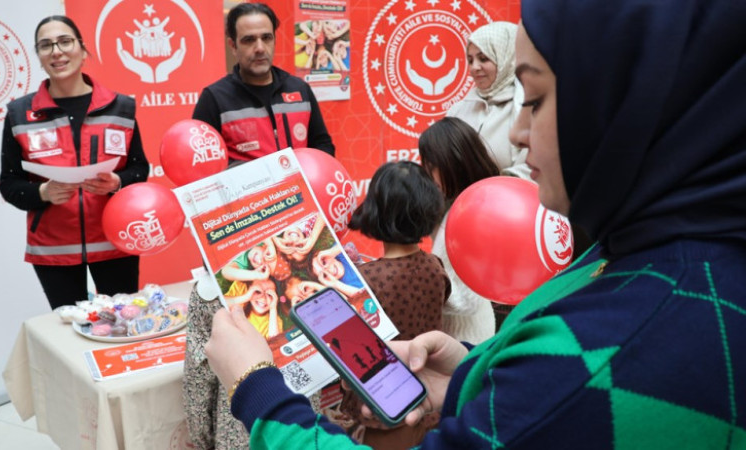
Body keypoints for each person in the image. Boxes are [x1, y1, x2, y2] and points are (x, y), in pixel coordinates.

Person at [203, 0, 746, 447]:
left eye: (533, 99)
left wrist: (258, 390)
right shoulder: (652, 252)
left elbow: (565, 389)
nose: (515, 133)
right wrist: (472, 376)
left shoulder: (616, 347)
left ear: (630, 105)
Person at [0, 15, 149, 310]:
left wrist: (117, 182)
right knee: (68, 335)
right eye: (46, 45)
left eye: (65, 41)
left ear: (82, 49)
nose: (56, 51)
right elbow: (9, 183)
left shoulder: (121, 107)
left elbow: (139, 169)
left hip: (116, 242)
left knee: (121, 329)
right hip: (54, 250)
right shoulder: (19, 113)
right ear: (39, 57)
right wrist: (43, 193)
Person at [343, 161, 451, 448]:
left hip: (384, 409)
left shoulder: (365, 280)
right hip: (431, 403)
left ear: (375, 211)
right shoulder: (435, 266)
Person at [192, 3, 335, 164]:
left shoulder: (300, 89)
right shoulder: (214, 99)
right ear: (233, 46)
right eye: (249, 40)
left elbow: (322, 144)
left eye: (266, 38)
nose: (260, 48)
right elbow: (203, 165)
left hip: (300, 188)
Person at [419, 117, 502, 339]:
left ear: (453, 163)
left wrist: (418, 283)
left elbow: (468, 300)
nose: (428, 175)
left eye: (432, 166)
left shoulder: (470, 219)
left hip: (466, 340)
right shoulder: (459, 206)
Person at [446, 21, 529, 179]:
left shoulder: (527, 107)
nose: (474, 67)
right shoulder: (460, 109)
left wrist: (492, 189)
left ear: (507, 58)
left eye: (483, 59)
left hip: (510, 200)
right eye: (470, 60)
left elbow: (534, 168)